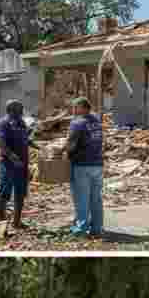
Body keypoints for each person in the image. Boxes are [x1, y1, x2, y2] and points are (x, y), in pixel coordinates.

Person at [0, 99, 40, 233]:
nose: (21, 111)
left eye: (21, 108)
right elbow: (1, 143)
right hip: (9, 164)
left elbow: (25, 138)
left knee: (20, 193)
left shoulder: (21, 122)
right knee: (5, 192)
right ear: (11, 110)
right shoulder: (4, 123)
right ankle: (1, 222)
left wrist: (38, 147)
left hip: (23, 164)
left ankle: (17, 221)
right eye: (19, 109)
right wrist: (13, 157)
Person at [64, 96, 105, 237]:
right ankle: (97, 228)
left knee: (81, 198)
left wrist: (63, 153)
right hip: (98, 164)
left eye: (75, 107)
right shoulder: (97, 121)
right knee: (96, 198)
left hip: (82, 165)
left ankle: (81, 229)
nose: (73, 110)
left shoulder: (77, 123)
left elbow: (71, 144)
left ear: (82, 107)